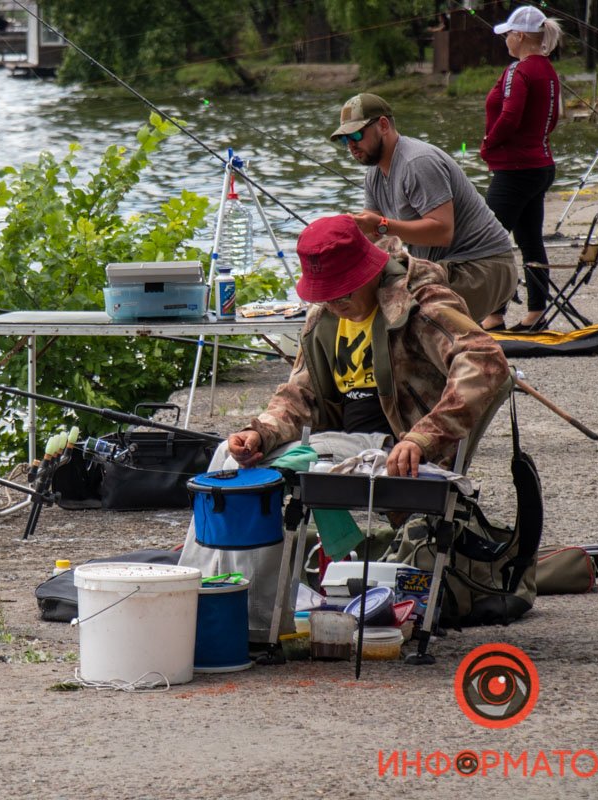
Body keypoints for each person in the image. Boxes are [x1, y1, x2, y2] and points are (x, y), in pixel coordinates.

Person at [179, 215, 511, 642]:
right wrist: (259, 433)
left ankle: (248, 618)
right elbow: (300, 394)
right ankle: (209, 600)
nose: (334, 301)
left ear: (370, 269)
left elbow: (486, 360)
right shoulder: (323, 318)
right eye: (326, 293)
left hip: (394, 447)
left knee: (252, 480)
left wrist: (424, 436)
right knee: (230, 459)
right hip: (340, 444)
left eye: (344, 290)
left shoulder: (421, 303)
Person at [332, 93, 517, 331]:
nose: (351, 145)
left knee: (405, 318)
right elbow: (372, 236)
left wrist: (381, 225)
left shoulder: (417, 162)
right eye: (344, 139)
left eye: (356, 135)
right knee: (365, 299)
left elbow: (442, 231)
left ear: (384, 125)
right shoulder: (374, 175)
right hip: (445, 266)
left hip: (482, 266)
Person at [481, 6, 563, 331]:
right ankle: (536, 312)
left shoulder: (519, 70)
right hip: (541, 164)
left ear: (519, 36)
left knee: (488, 238)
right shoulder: (548, 69)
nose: (505, 41)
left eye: (507, 35)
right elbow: (553, 118)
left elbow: (510, 116)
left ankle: (494, 313)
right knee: (530, 238)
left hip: (516, 169)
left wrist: (489, 143)